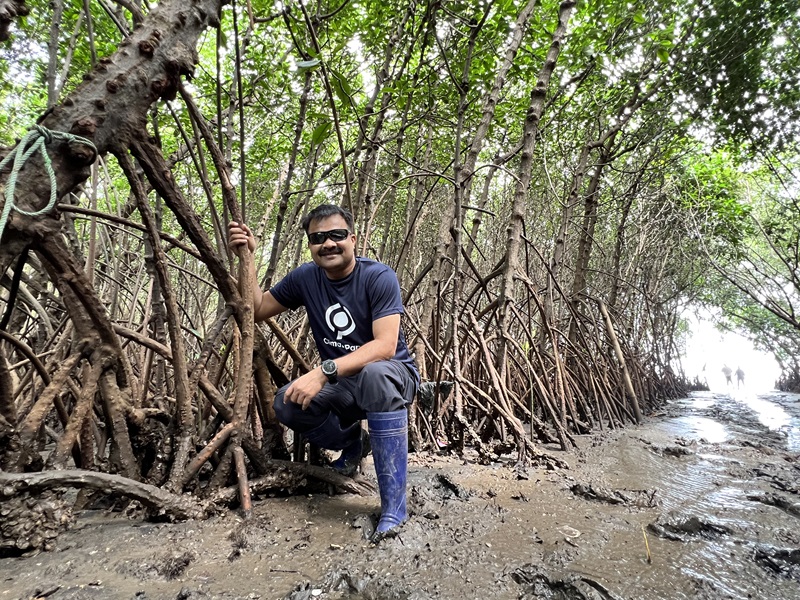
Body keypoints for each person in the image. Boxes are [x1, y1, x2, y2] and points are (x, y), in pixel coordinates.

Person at [228, 204, 419, 542]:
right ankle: (354, 445)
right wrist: (248, 257)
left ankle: (395, 507)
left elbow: (385, 346)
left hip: (393, 378)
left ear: (353, 239)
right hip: (346, 384)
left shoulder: (378, 276)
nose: (328, 243)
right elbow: (257, 309)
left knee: (376, 374)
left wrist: (322, 371)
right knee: (287, 402)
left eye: (337, 235)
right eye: (318, 238)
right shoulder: (306, 278)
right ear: (310, 245)